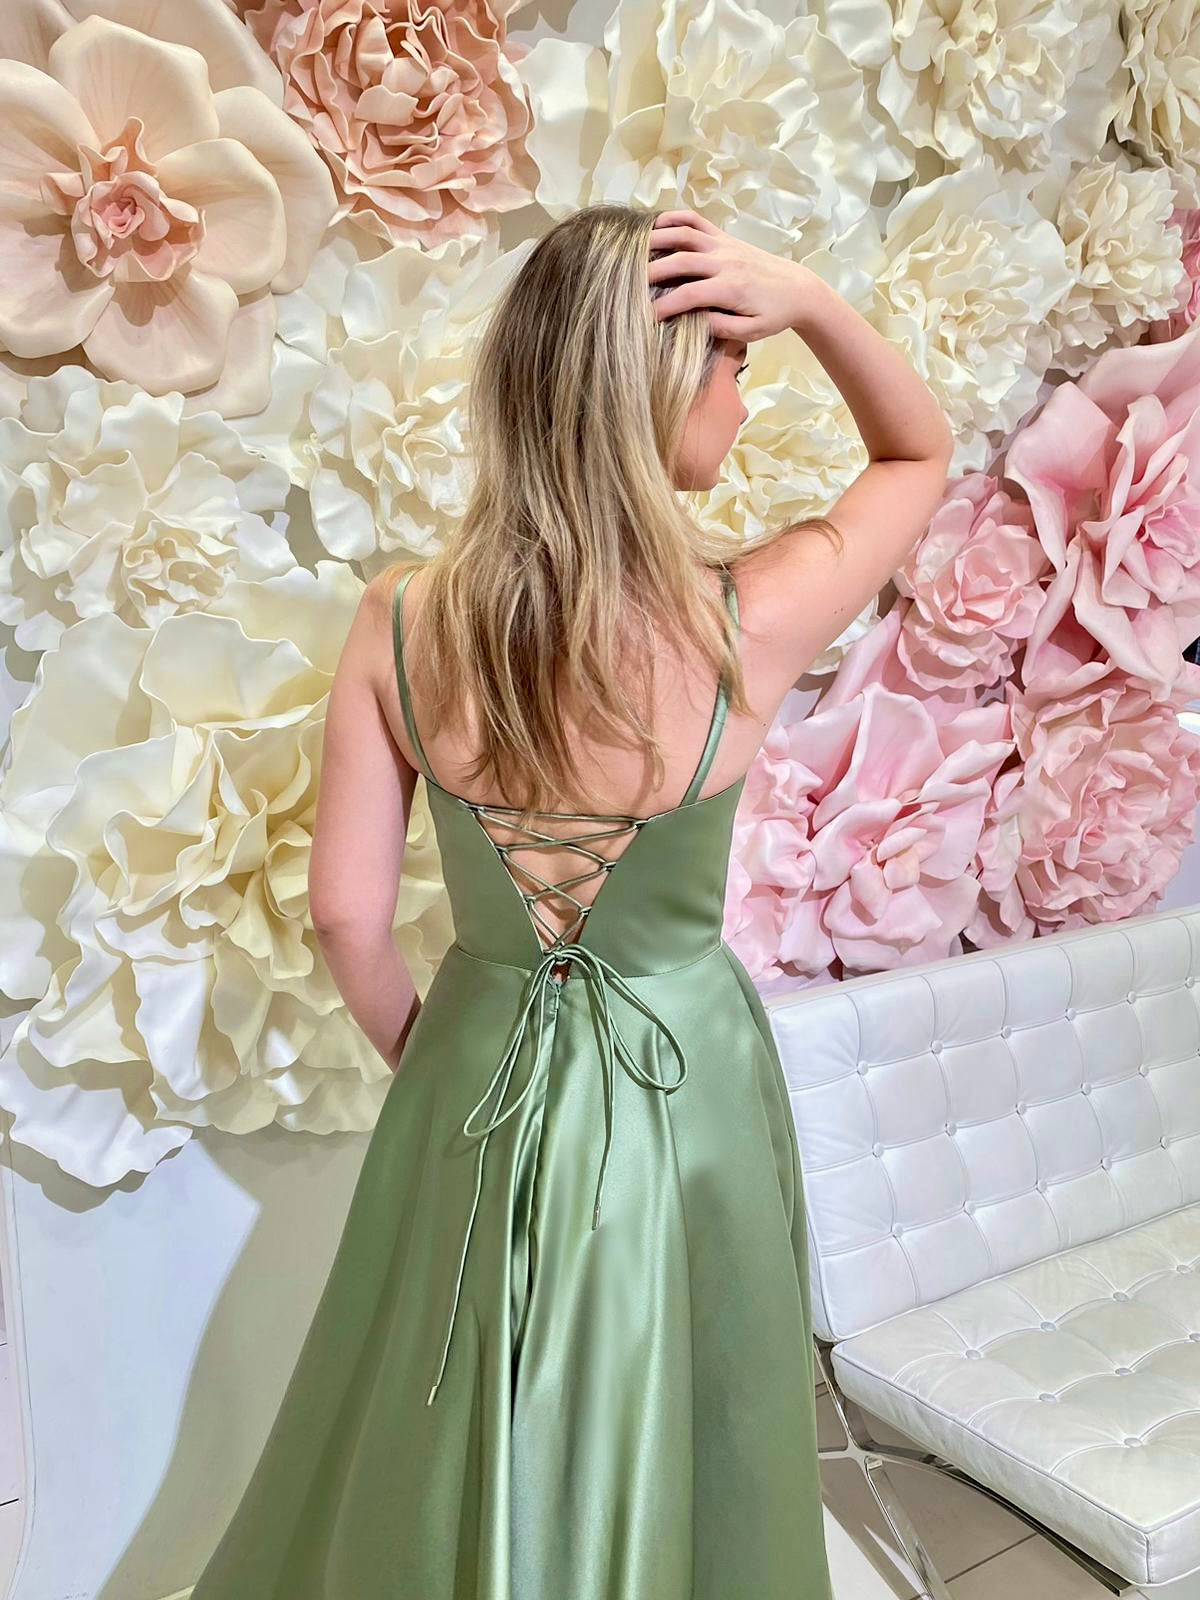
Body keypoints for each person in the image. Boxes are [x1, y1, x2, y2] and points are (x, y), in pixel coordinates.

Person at [190, 203, 953, 1599]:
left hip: (472, 1072)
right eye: (732, 366)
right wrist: (813, 299)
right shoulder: (746, 618)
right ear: (656, 387)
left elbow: (347, 917)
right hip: (686, 1086)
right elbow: (918, 451)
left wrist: (439, 1055)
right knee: (688, 1390)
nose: (744, 398)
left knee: (447, 1397)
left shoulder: (403, 620)